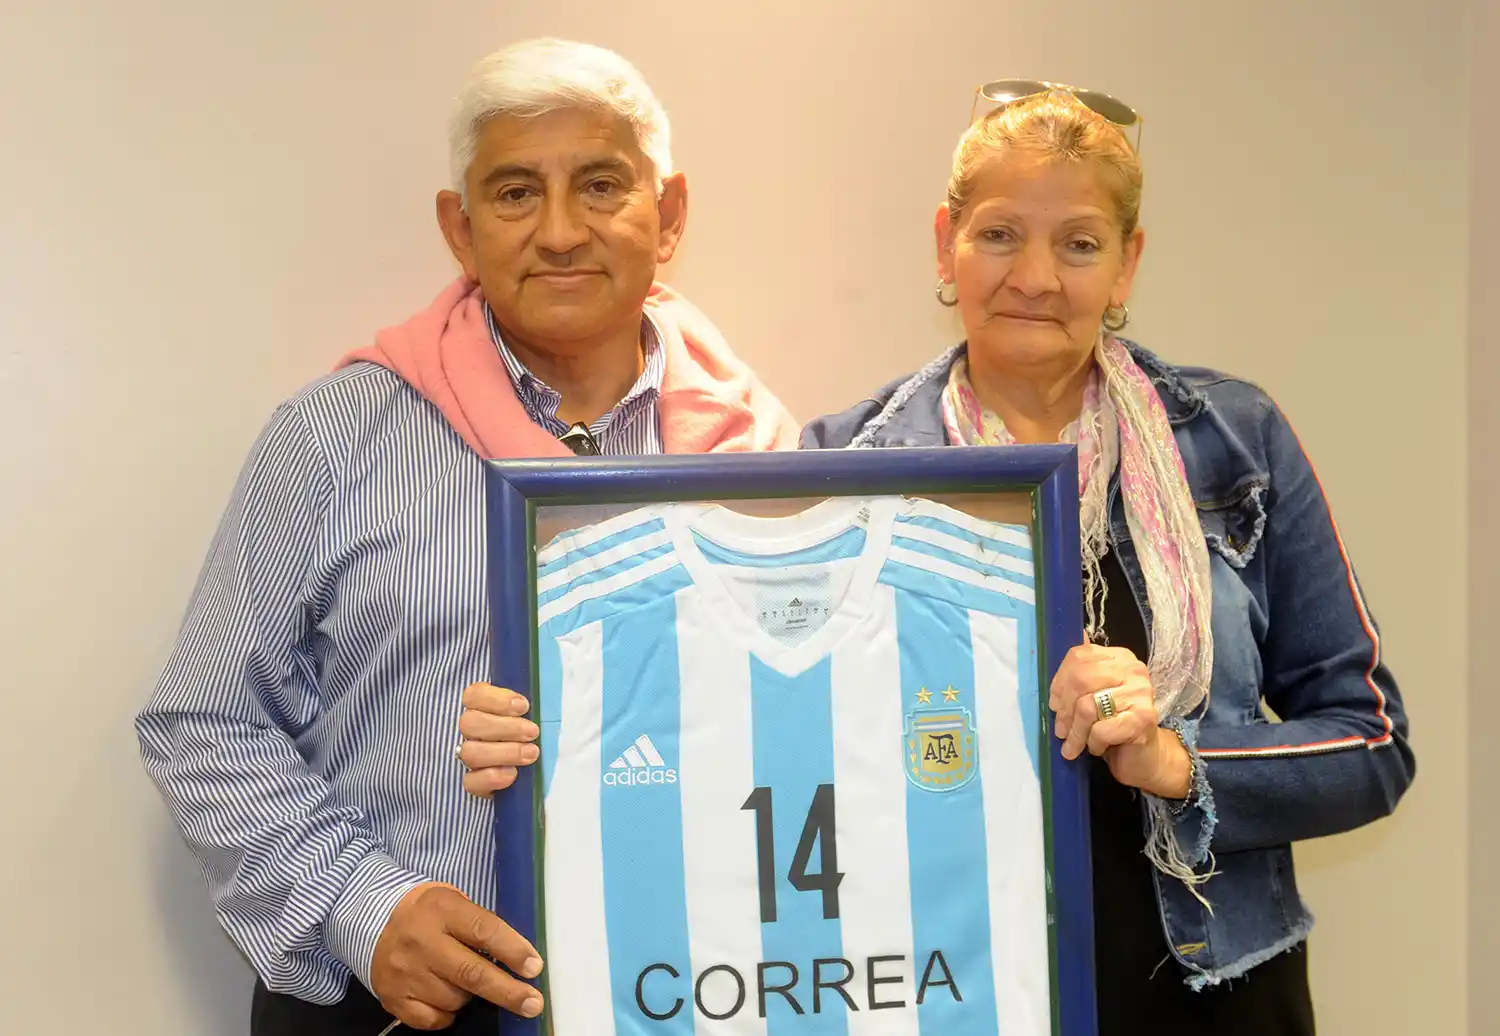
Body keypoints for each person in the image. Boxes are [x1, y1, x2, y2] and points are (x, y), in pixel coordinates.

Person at [136, 37, 800, 1036]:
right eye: (516, 192)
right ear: (461, 228)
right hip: (400, 1006)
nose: (561, 230)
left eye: (602, 183)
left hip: (688, 992)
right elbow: (203, 720)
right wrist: (365, 905)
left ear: (667, 218)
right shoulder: (334, 438)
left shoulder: (770, 459)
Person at [796, 84, 1416, 1031]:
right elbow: (792, 752)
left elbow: (1373, 746)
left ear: (1127, 264)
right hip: (950, 987)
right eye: (1000, 234)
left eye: (1080, 244)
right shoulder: (846, 468)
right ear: (944, 243)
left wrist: (1179, 761)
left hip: (1215, 992)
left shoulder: (1236, 442)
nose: (1036, 278)